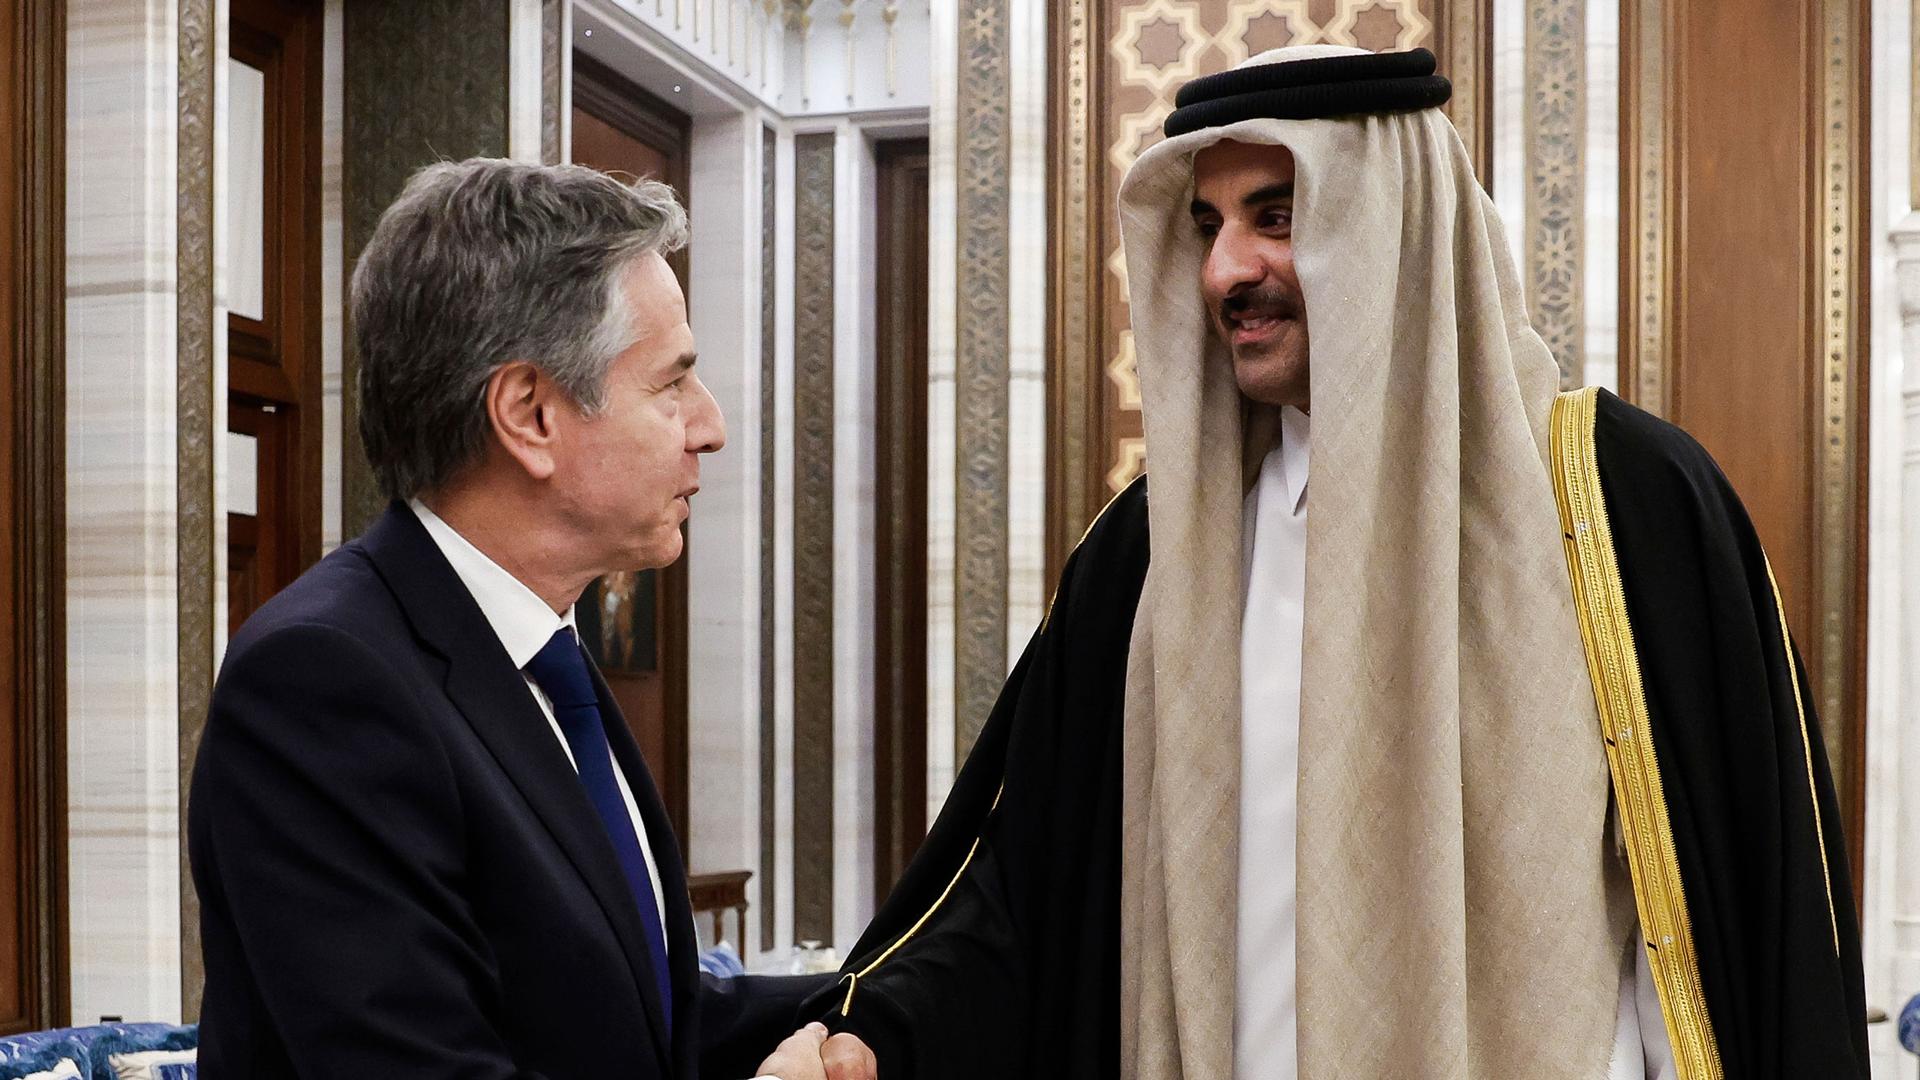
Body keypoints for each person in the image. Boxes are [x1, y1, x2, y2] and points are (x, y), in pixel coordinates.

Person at [793, 46, 1867, 1079]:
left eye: (1278, 216)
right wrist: (878, 1028)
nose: (1226, 271)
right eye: (1209, 226)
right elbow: (1014, 884)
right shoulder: (1150, 555)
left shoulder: (1622, 501)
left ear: (1397, 224)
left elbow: (1757, 913)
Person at [188, 159, 829, 1078]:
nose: (710, 425)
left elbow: (644, 1018)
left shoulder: (541, 651)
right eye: (672, 383)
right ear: (529, 414)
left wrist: (904, 998)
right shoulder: (320, 684)